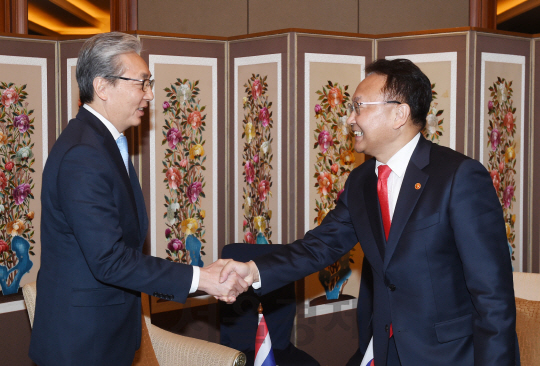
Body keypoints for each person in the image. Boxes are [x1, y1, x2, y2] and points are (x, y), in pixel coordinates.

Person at [220, 59, 518, 366]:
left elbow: (492, 296)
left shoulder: (459, 177)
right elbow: (319, 247)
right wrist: (253, 271)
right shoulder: (361, 182)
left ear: (399, 113)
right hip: (382, 349)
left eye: (359, 106)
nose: (350, 119)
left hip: (448, 355)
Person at [29, 32, 247, 366]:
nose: (149, 95)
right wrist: (201, 278)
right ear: (103, 87)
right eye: (141, 83)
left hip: (103, 336)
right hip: (81, 346)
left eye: (149, 83)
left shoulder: (101, 143)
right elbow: (110, 259)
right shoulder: (83, 154)